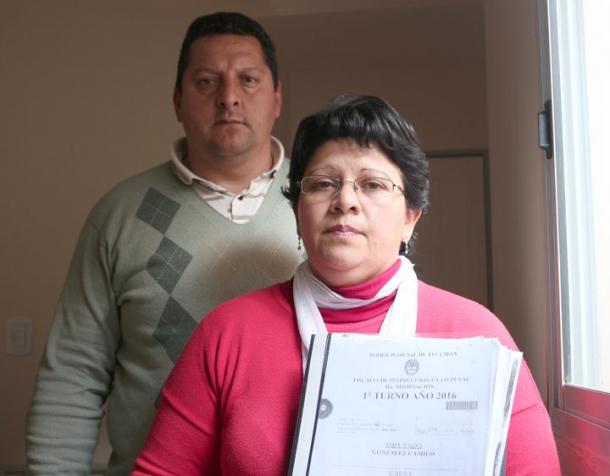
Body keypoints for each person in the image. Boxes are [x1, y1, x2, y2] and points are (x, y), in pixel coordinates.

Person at [132, 94, 561, 475]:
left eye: (372, 185)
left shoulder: (478, 336)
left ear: (410, 218)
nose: (345, 201)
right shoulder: (226, 336)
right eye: (323, 184)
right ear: (297, 213)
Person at [26, 12, 301, 475]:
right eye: (206, 82)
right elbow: (72, 375)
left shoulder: (324, 203)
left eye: (248, 80)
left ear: (277, 98)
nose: (229, 97)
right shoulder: (118, 216)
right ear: (177, 101)